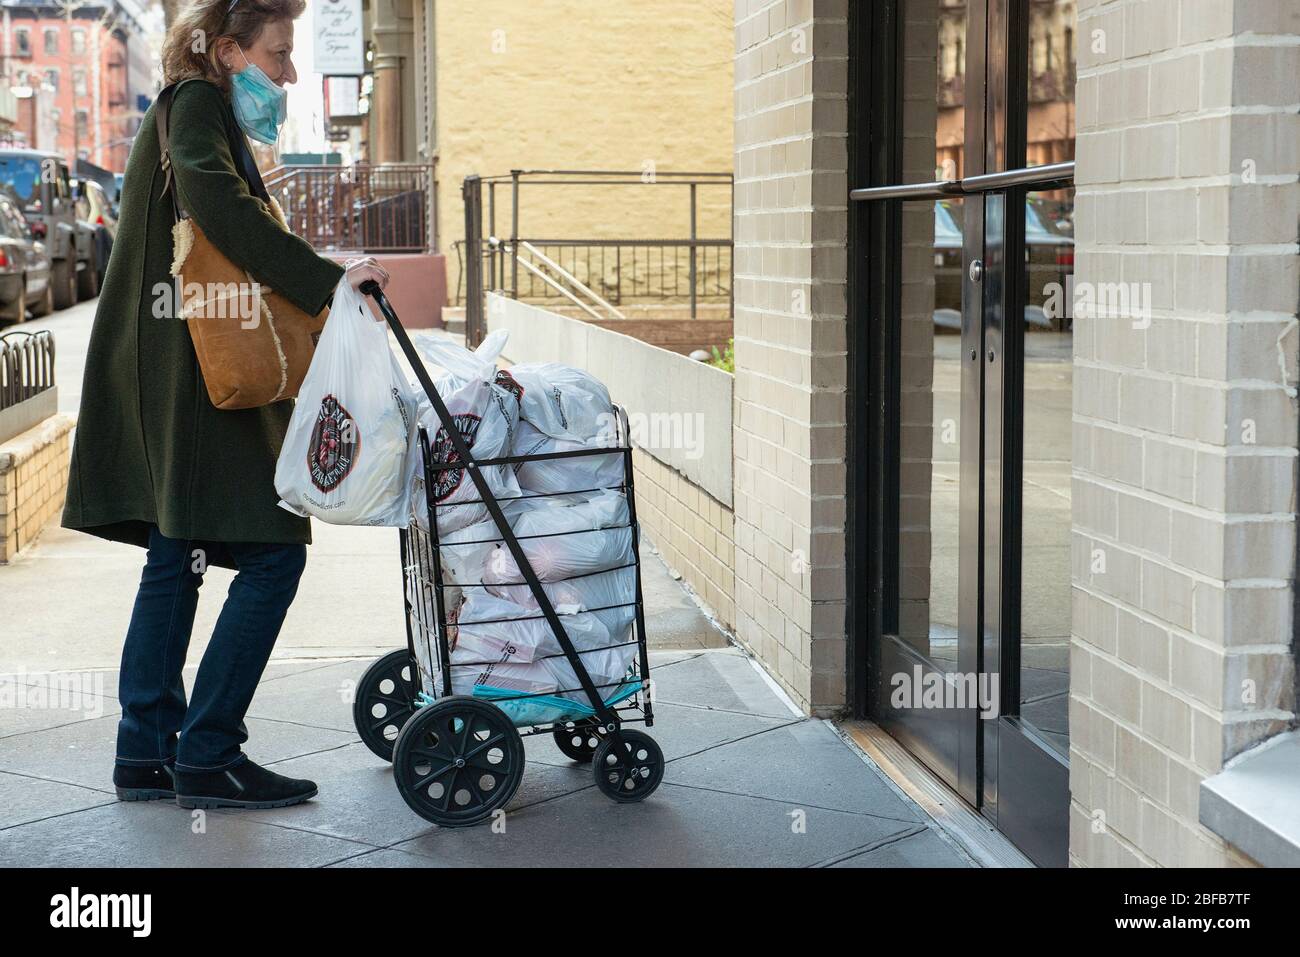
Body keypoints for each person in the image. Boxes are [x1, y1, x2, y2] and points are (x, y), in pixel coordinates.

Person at [61, 0, 390, 810]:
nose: (290, 73)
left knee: (175, 557)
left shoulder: (183, 105)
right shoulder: (198, 102)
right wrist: (325, 278)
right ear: (230, 49)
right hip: (196, 373)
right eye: (277, 54)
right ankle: (207, 751)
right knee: (276, 552)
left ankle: (145, 749)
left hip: (170, 364)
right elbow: (218, 206)